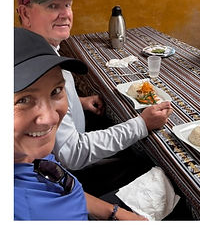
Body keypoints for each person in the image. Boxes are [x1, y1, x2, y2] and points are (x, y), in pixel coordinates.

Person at [16, 0, 171, 196]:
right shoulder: (36, 72)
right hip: (64, 178)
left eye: (67, 5)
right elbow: (73, 154)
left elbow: (45, 104)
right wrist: (142, 124)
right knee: (147, 163)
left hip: (64, 156)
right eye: (52, 6)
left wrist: (78, 102)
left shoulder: (40, 53)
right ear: (25, 14)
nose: (65, 14)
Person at [14, 26, 147, 220]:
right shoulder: (29, 211)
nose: (50, 118)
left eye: (56, 91)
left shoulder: (28, 156)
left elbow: (62, 182)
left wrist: (114, 212)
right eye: (23, 100)